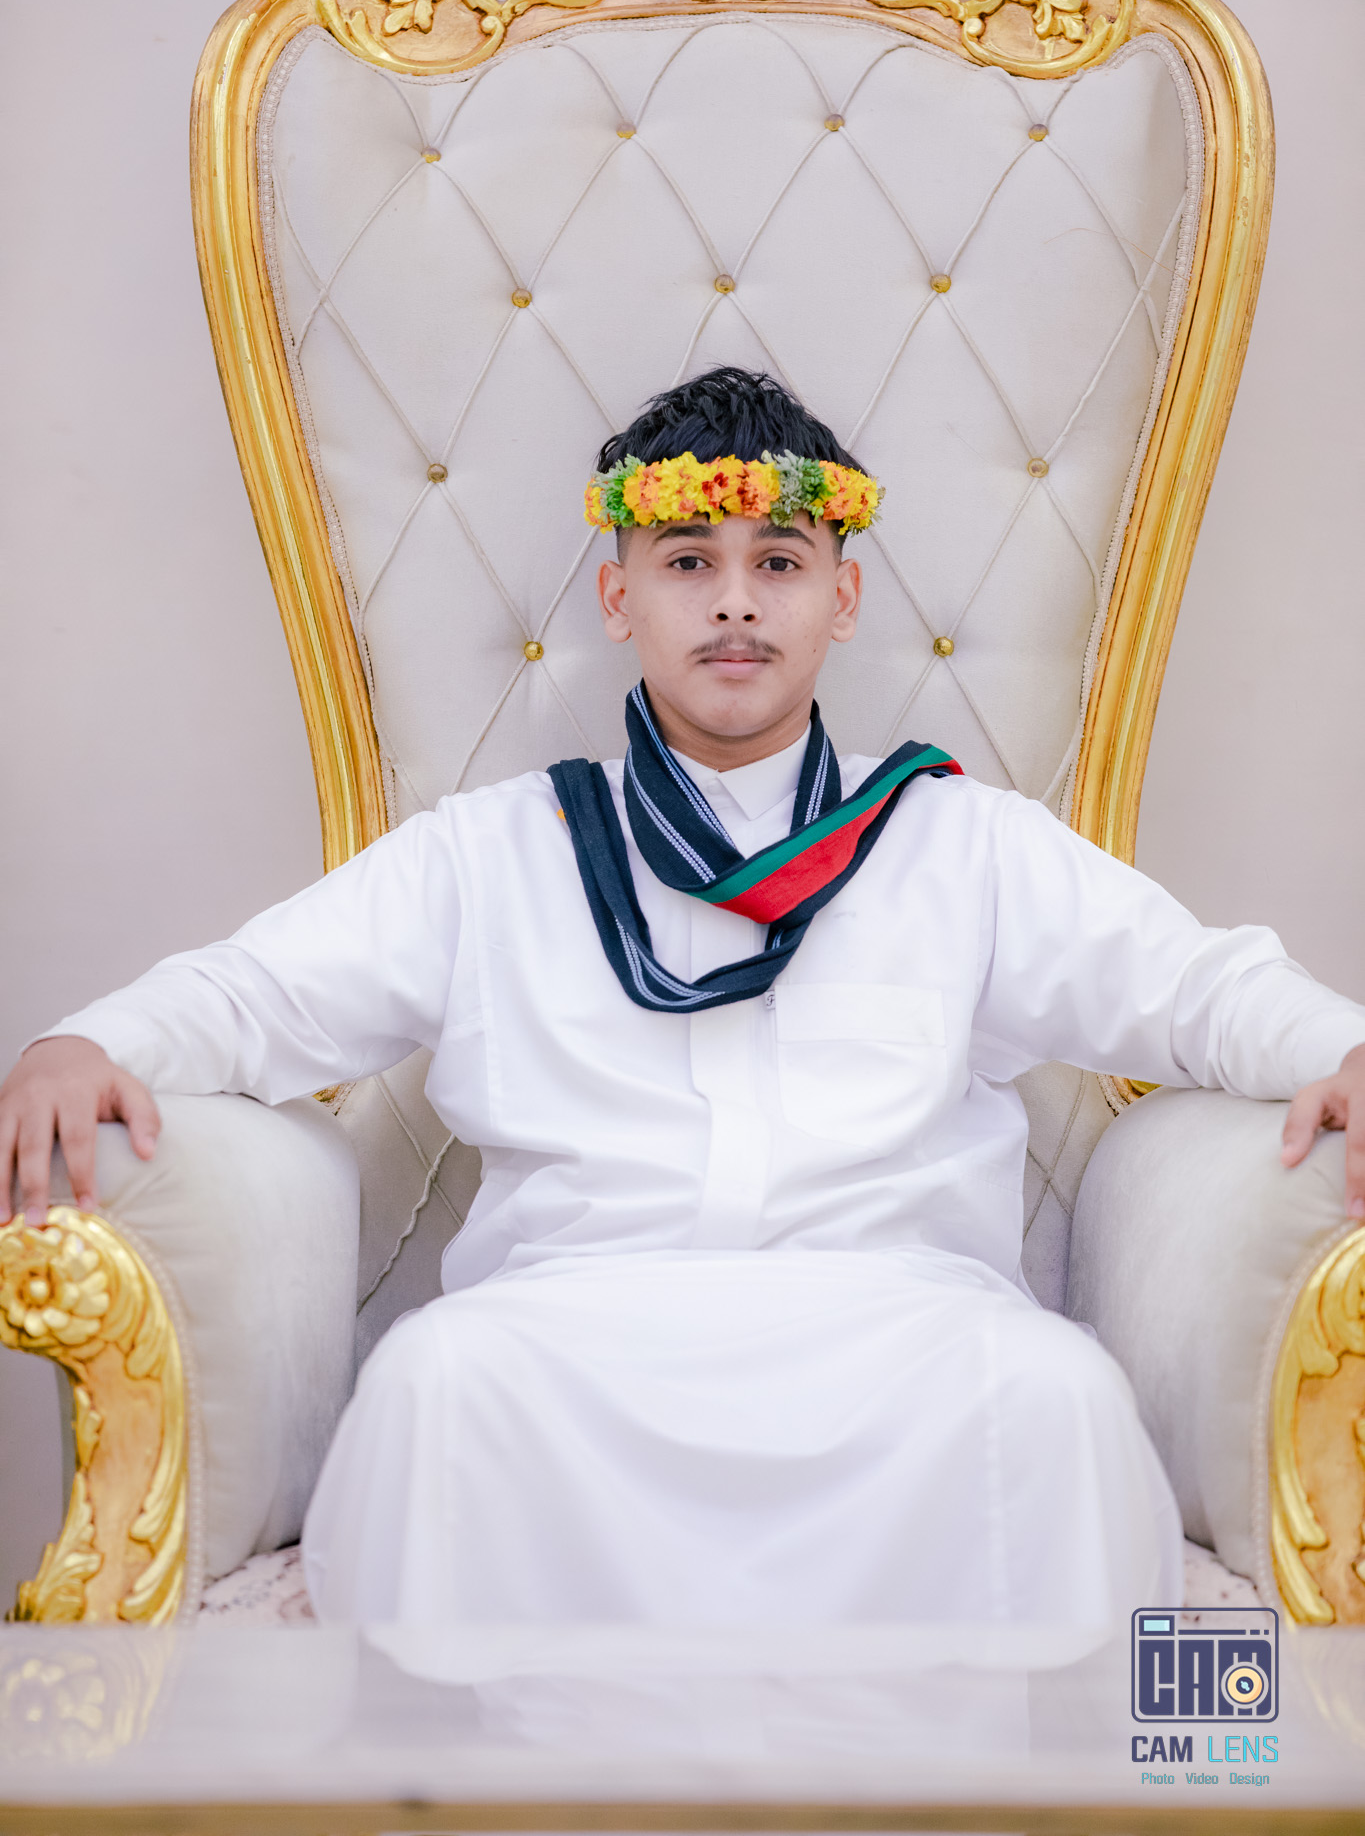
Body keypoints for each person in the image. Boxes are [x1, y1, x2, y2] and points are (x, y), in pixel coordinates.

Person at [3, 367, 1363, 1626]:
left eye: (779, 562)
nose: (734, 603)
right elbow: (254, 994)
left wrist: (1344, 1048)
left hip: (904, 1329)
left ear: (842, 597)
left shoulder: (963, 845)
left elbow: (1198, 988)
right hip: (567, 1329)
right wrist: (86, 1043)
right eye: (688, 561)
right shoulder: (494, 852)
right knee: (433, 1385)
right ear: (619, 600)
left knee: (1056, 1396)